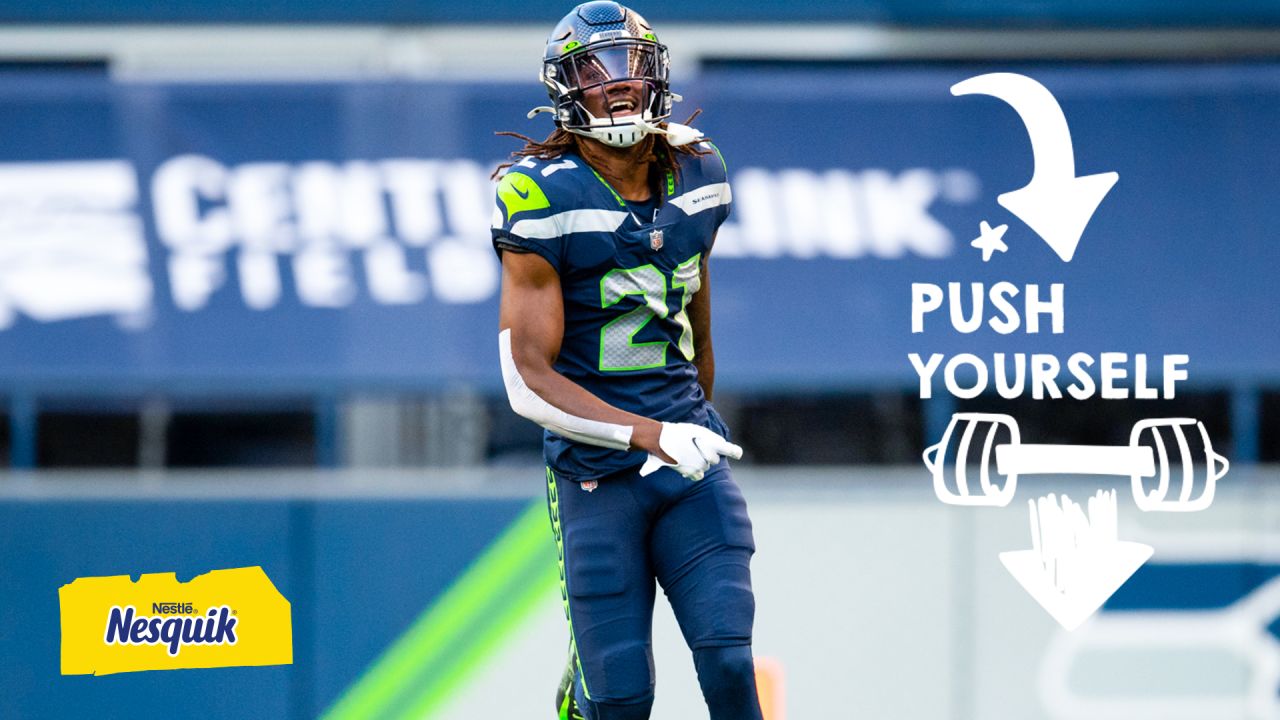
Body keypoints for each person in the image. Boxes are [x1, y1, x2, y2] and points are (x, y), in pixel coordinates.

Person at [491, 3, 764, 719]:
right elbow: (526, 381)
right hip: (594, 478)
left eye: (628, 66)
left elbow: (696, 324)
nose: (615, 85)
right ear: (563, 89)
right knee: (620, 699)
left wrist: (686, 422)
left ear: (658, 75)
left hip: (685, 466)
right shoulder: (539, 194)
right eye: (593, 70)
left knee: (731, 663)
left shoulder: (699, 171)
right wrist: (650, 434)